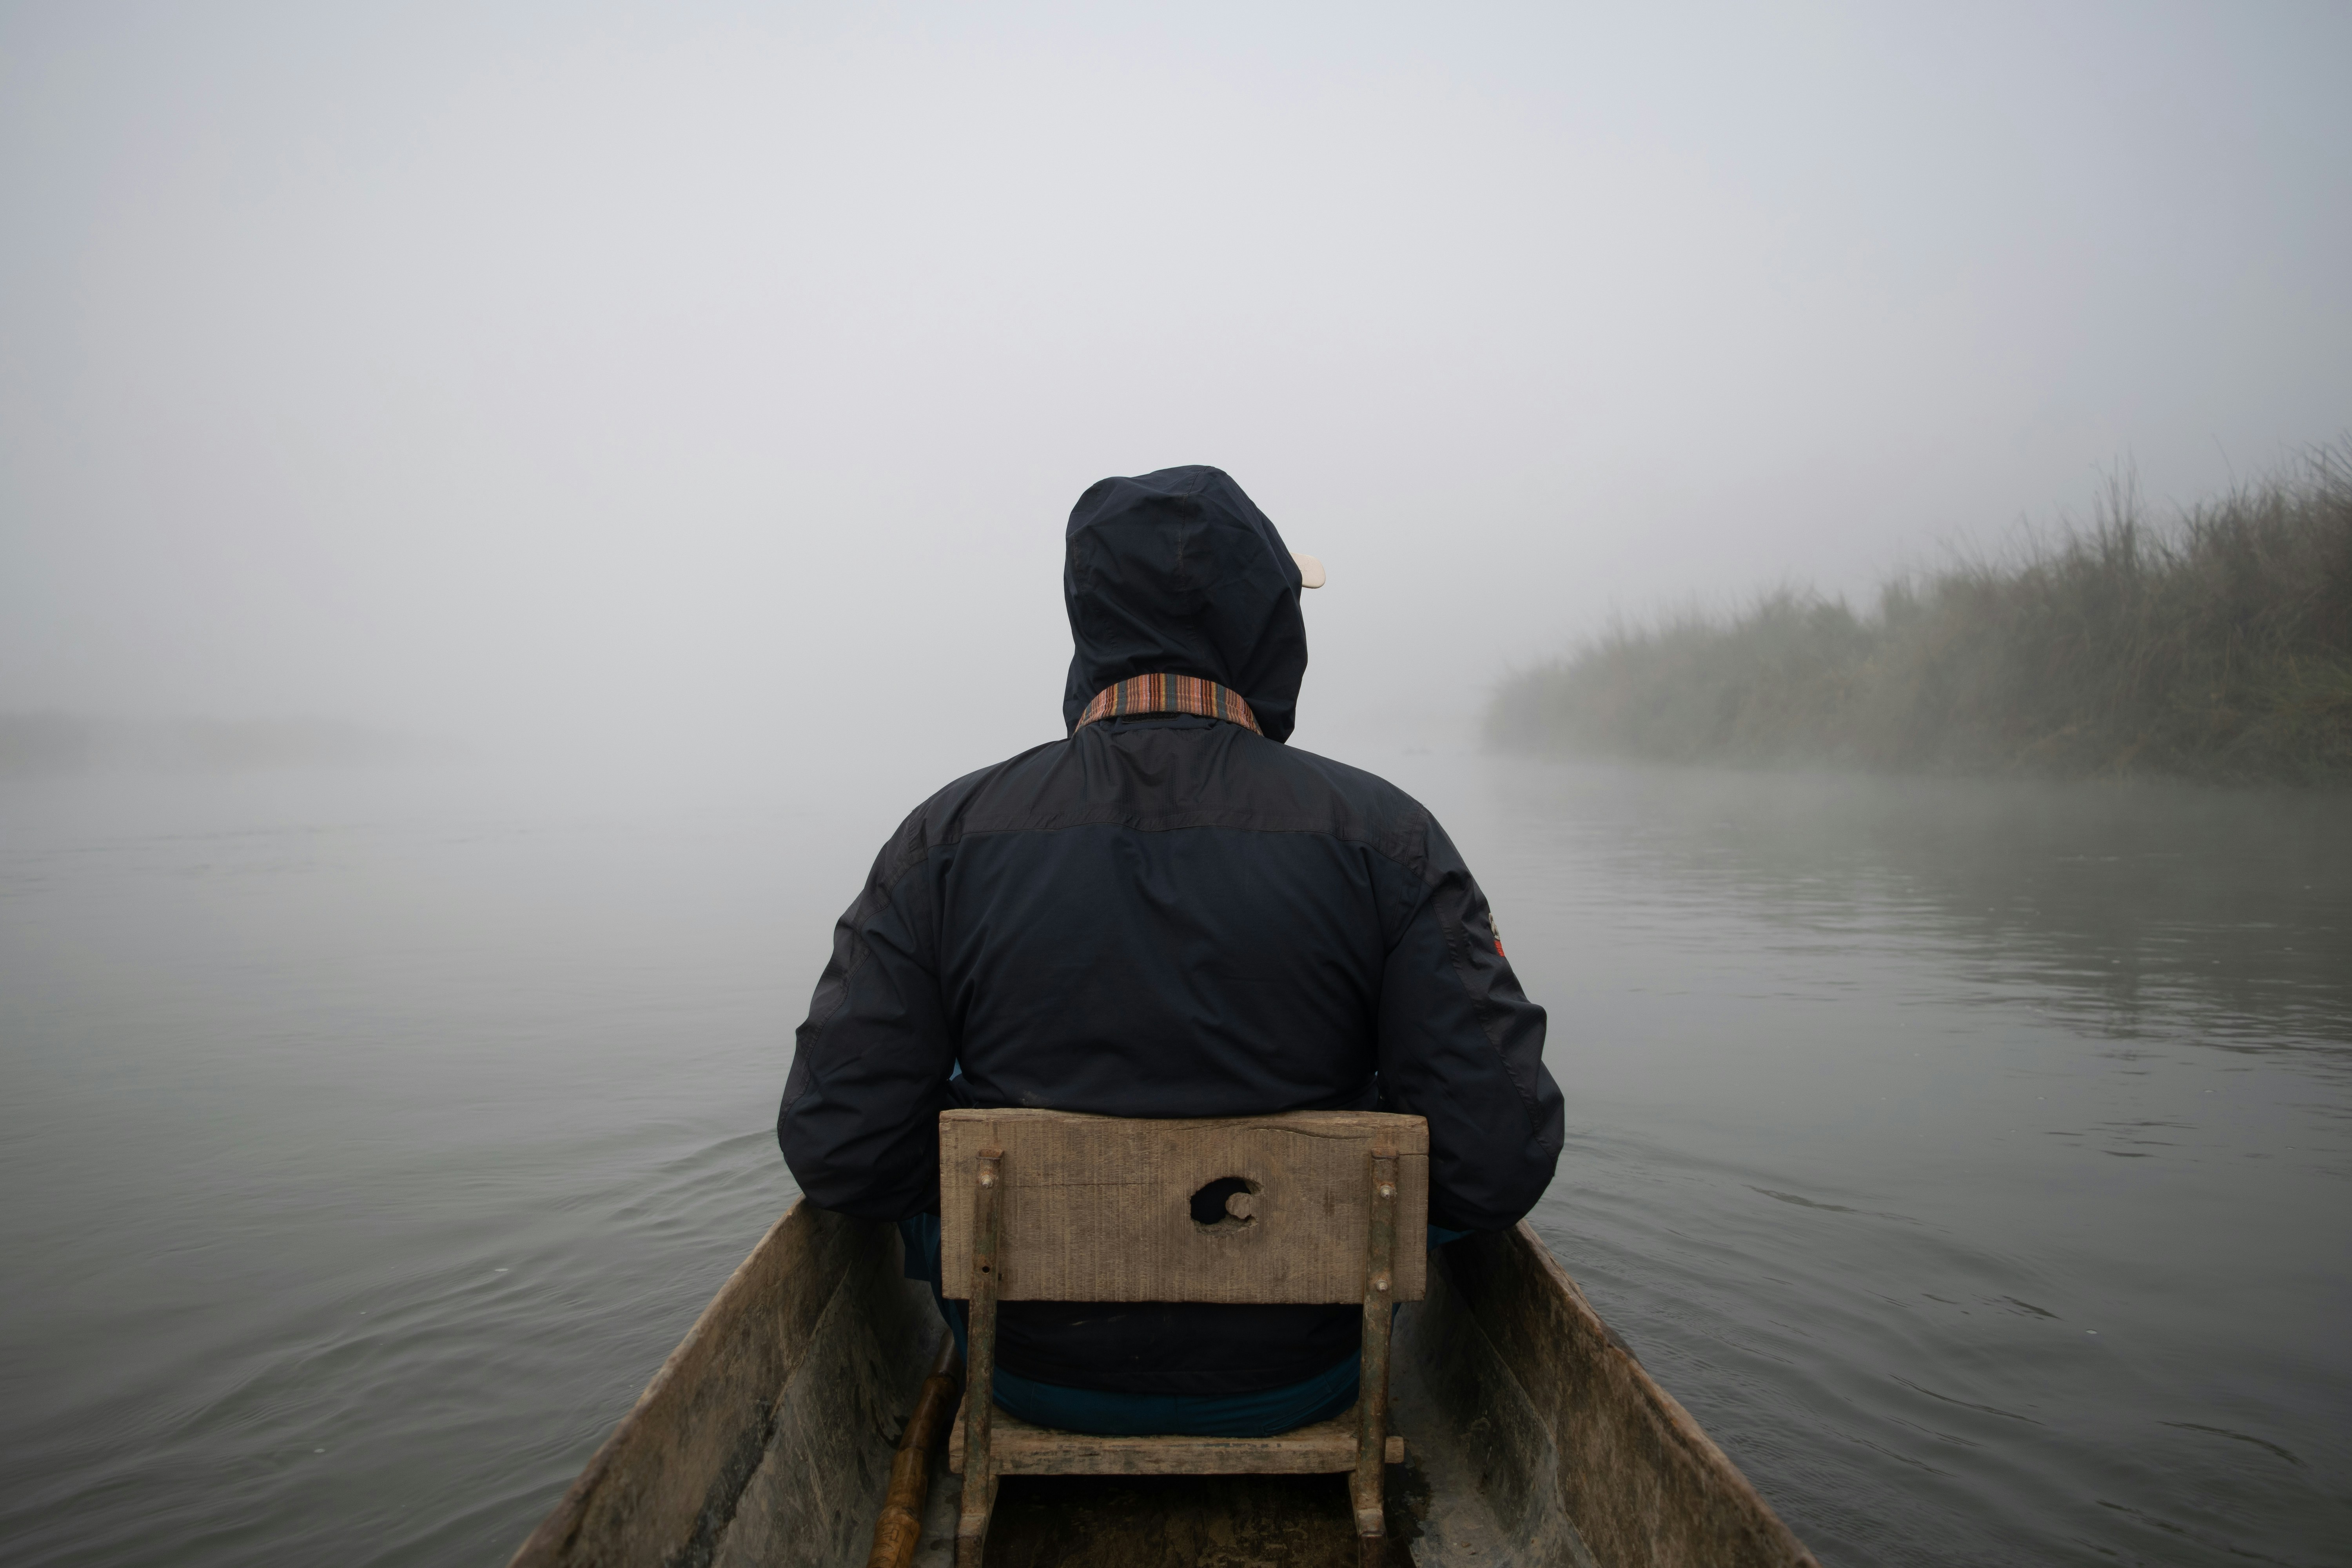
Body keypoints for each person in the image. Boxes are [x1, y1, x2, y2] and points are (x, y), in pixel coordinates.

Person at [778, 464, 1562, 1437]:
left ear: (1089, 620)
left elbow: (838, 1146)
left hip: (1024, 1368)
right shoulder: (1389, 840)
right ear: (1269, 624)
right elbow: (1500, 1159)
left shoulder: (944, 838)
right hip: (1310, 1372)